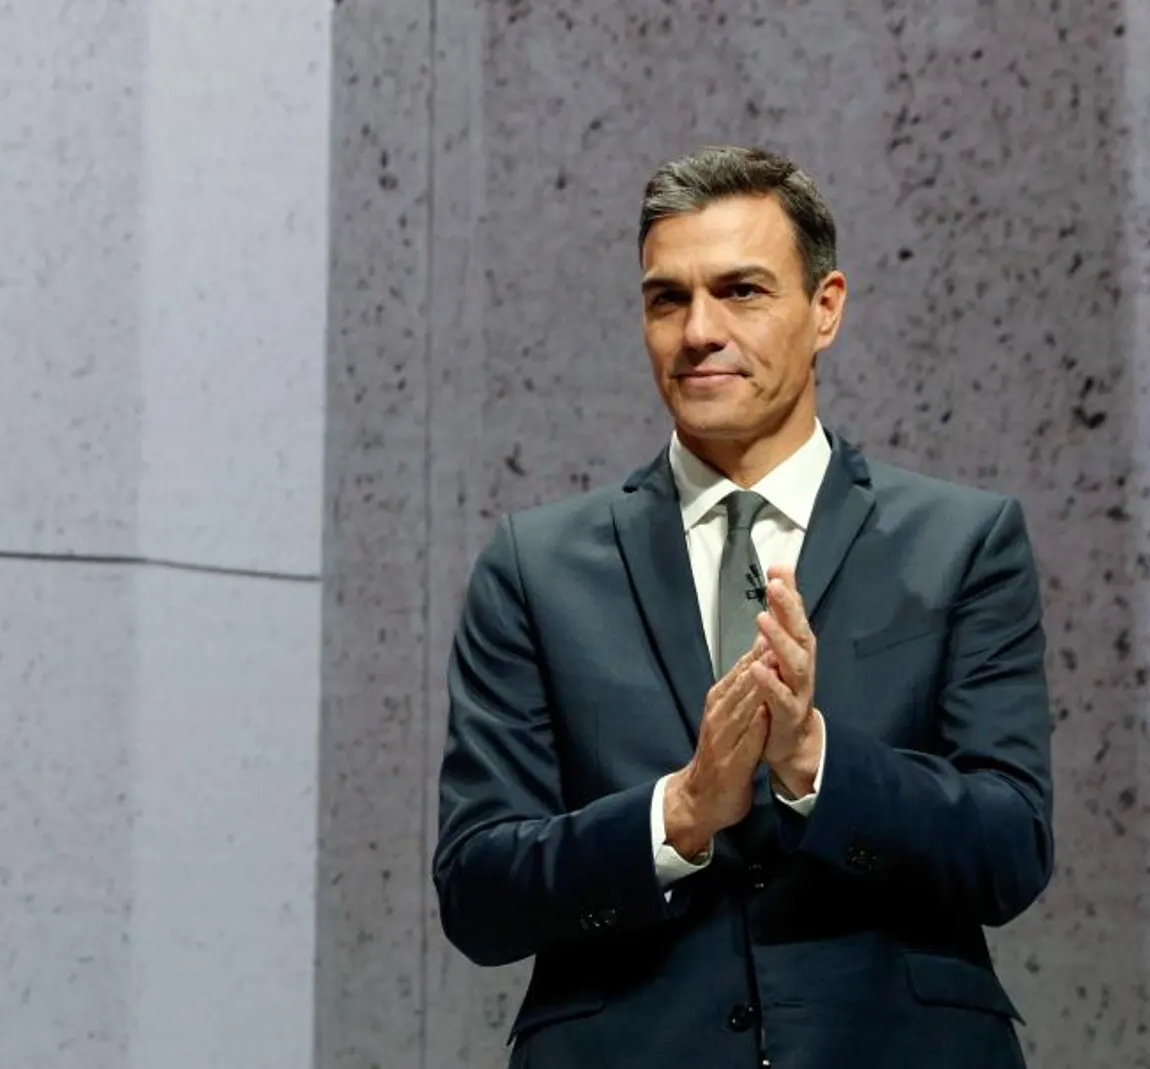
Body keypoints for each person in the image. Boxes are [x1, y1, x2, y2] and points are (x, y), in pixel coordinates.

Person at [432, 146, 1054, 1069]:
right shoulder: (536, 567)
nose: (698, 331)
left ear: (826, 308)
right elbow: (479, 891)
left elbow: (1009, 848)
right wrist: (678, 813)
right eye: (667, 299)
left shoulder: (962, 544)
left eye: (743, 291)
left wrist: (814, 760)